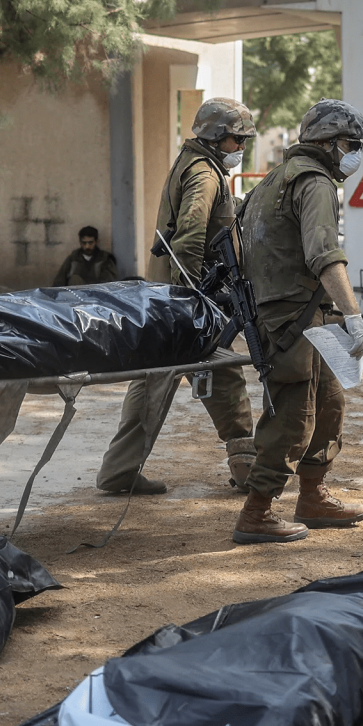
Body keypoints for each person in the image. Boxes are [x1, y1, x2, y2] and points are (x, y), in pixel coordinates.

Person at [93, 98, 259, 495]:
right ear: (219, 138)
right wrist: (195, 302)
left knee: (153, 381)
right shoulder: (205, 173)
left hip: (166, 297)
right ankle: (246, 468)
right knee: (225, 373)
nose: (241, 149)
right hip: (183, 300)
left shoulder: (192, 163)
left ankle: (119, 471)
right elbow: (189, 236)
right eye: (238, 140)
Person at [230, 99, 363, 543]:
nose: (355, 154)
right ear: (329, 143)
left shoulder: (274, 179)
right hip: (292, 318)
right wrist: (354, 315)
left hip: (300, 313)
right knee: (294, 416)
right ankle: (257, 512)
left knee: (329, 406)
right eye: (351, 145)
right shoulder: (314, 183)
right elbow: (324, 255)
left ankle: (312, 495)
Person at [53, 226, 119, 286]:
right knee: (75, 279)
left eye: (90, 243)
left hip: (97, 295)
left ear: (97, 242)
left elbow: (110, 283)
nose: (87, 246)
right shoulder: (73, 258)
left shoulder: (105, 259)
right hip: (77, 295)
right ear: (80, 243)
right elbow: (59, 281)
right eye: (84, 243)